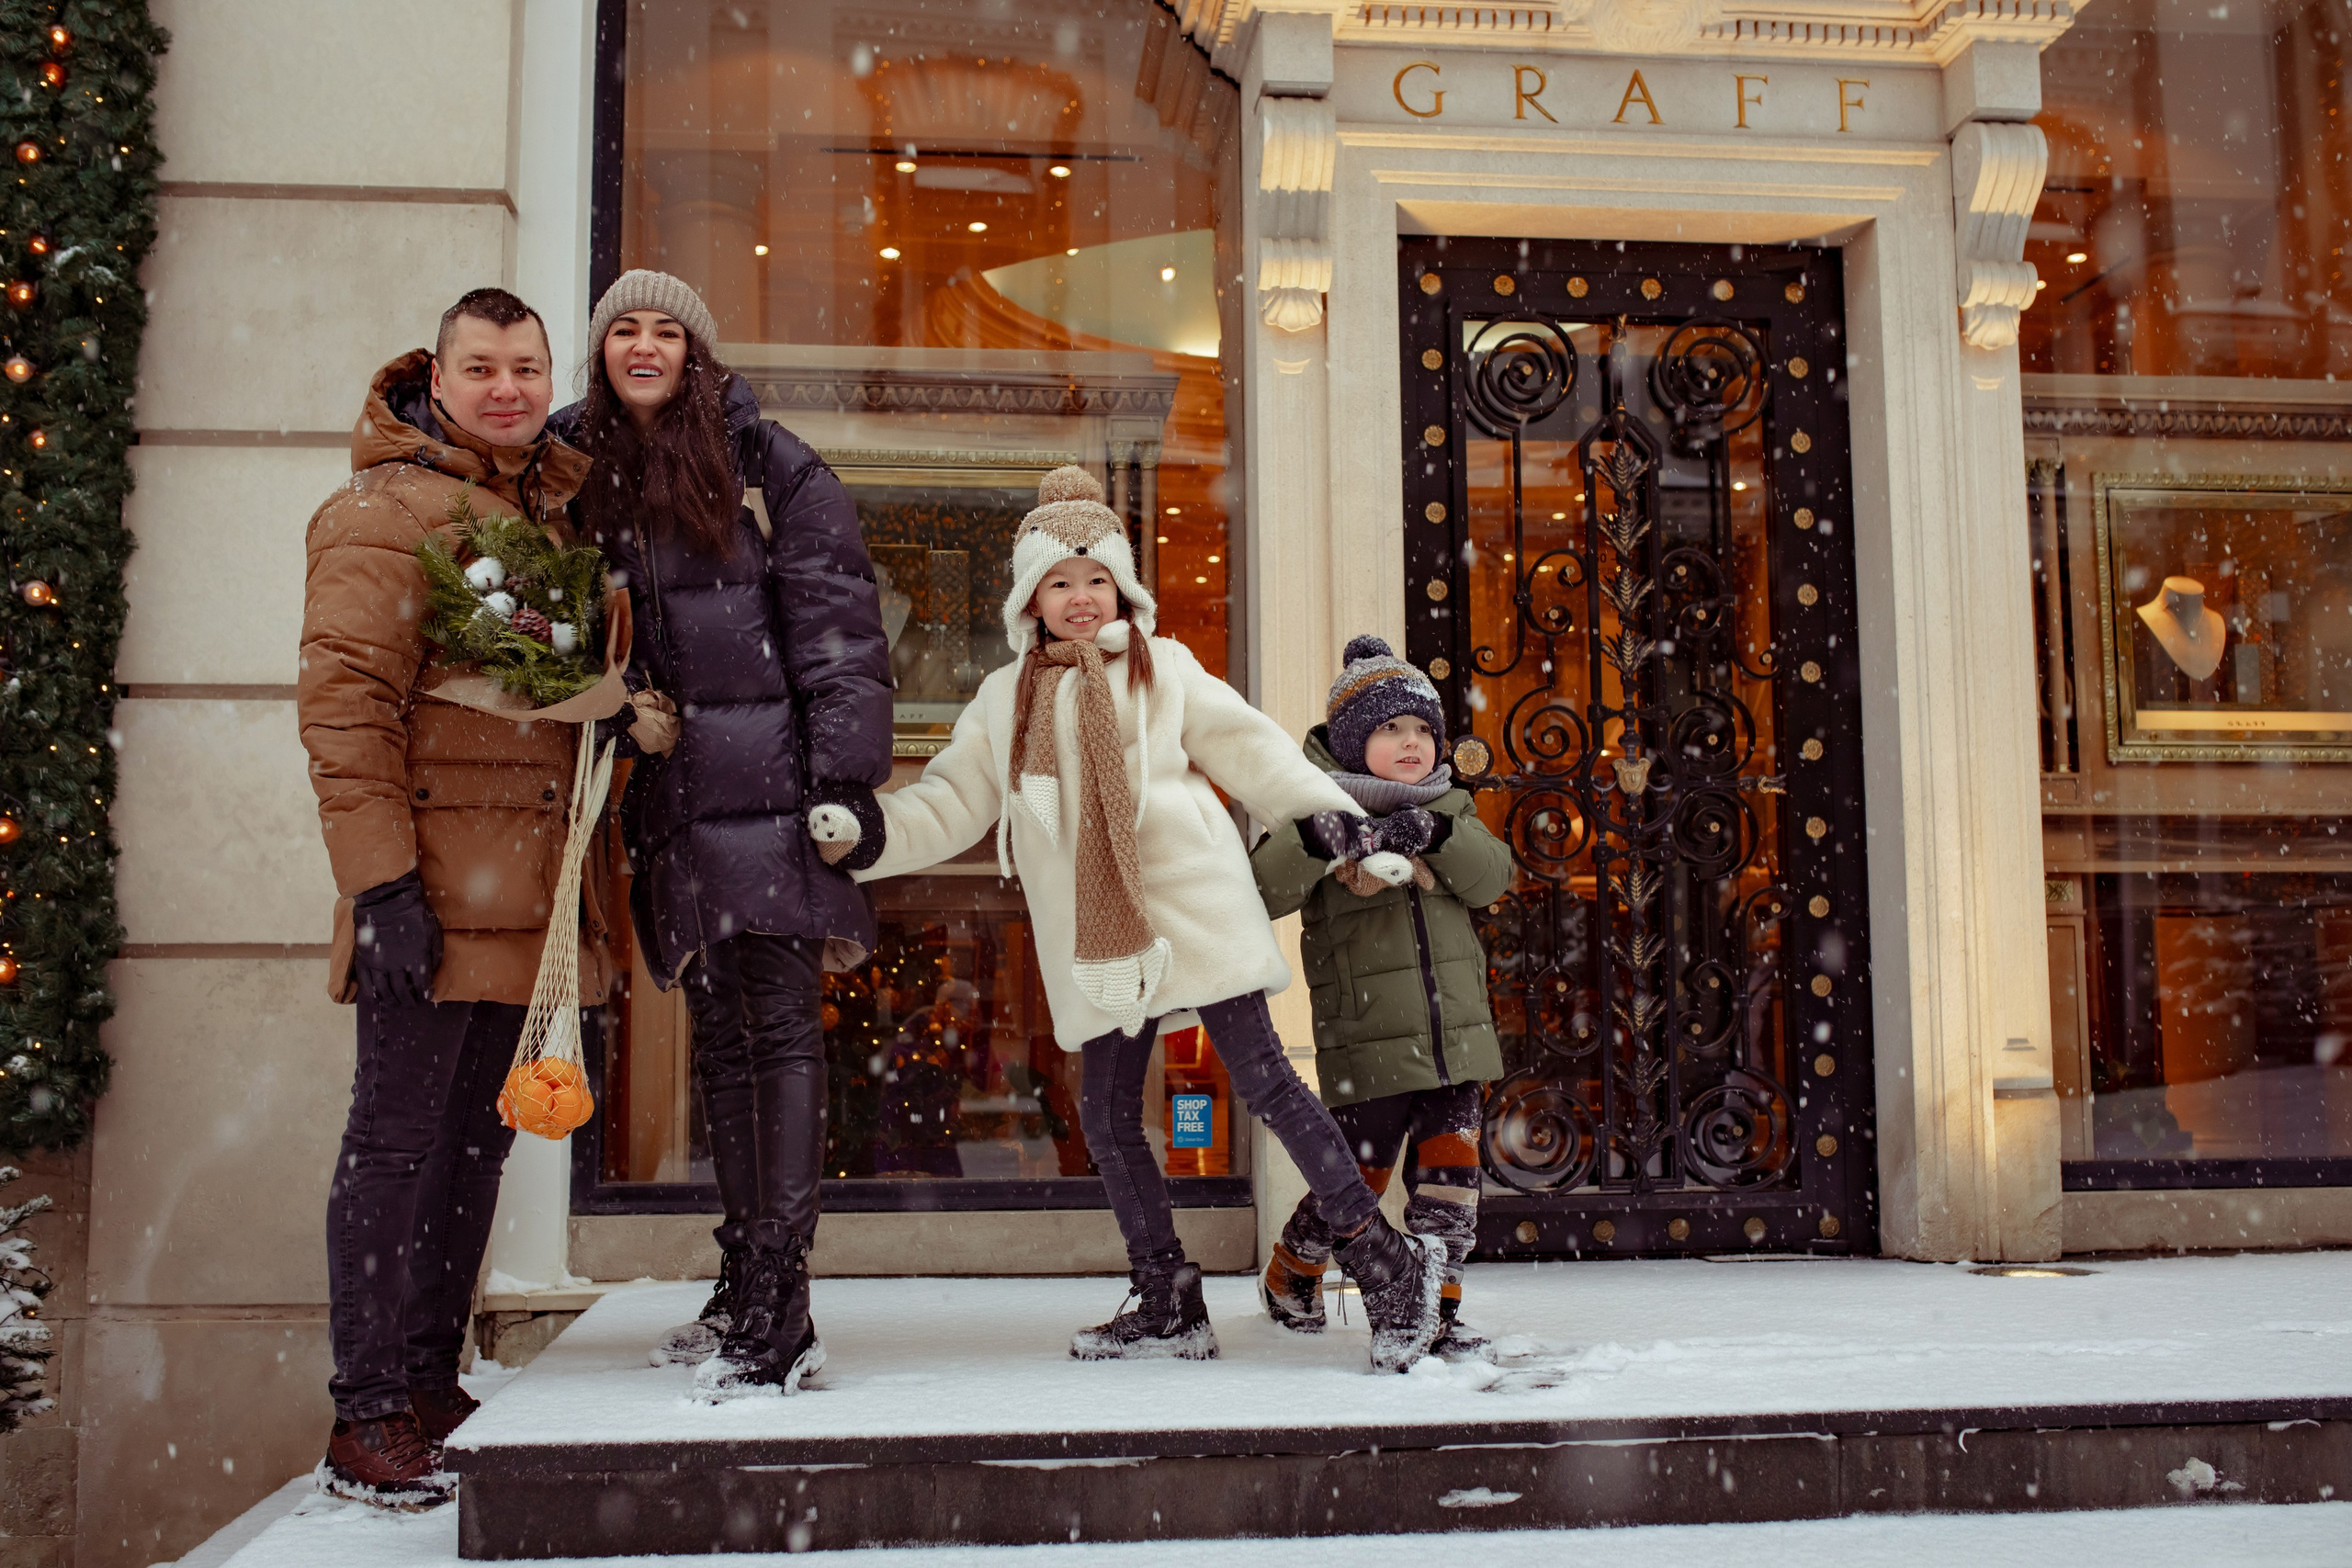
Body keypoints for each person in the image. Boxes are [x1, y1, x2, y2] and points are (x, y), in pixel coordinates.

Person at [820, 468, 1451, 1372]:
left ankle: (1384, 1269)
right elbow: (953, 800)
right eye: (1061, 582)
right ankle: (1166, 1297)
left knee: (1268, 1084)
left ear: (1122, 588)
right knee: (1109, 1114)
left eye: (1096, 580)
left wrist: (1336, 824)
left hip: (1193, 907)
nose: (1081, 599)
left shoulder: (1166, 669)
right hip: (1102, 931)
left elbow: (1257, 754)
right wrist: (870, 832)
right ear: (1031, 597)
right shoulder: (1007, 699)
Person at [550, 270, 892, 1401]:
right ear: (601, 351)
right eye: (623, 331)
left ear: (696, 353)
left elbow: (839, 626)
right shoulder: (571, 465)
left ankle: (781, 1308)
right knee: (727, 1045)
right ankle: (745, 1277)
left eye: (666, 332)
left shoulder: (766, 464)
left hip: (777, 795)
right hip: (669, 802)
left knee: (780, 1033)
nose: (643, 347)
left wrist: (842, 778)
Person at [299, 288, 613, 1506]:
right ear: (435, 373)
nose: (507, 389)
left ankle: (429, 1380)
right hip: (430, 886)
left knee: (473, 1148)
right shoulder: (382, 513)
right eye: (480, 366)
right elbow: (345, 711)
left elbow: (543, 695)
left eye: (526, 367)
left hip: (520, 900)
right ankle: (367, 1413)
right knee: (395, 1144)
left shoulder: (532, 514)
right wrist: (380, 883)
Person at [1250, 635, 1513, 1360]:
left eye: (1424, 729)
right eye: (1391, 728)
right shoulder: (1314, 807)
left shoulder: (1450, 808)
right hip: (1368, 1039)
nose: (1412, 743)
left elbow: (1494, 878)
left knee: (1451, 1180)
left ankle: (1438, 1308)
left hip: (1456, 1039)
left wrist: (1436, 834)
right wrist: (1317, 838)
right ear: (1351, 742)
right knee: (1357, 1180)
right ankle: (1293, 1270)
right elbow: (1260, 891)